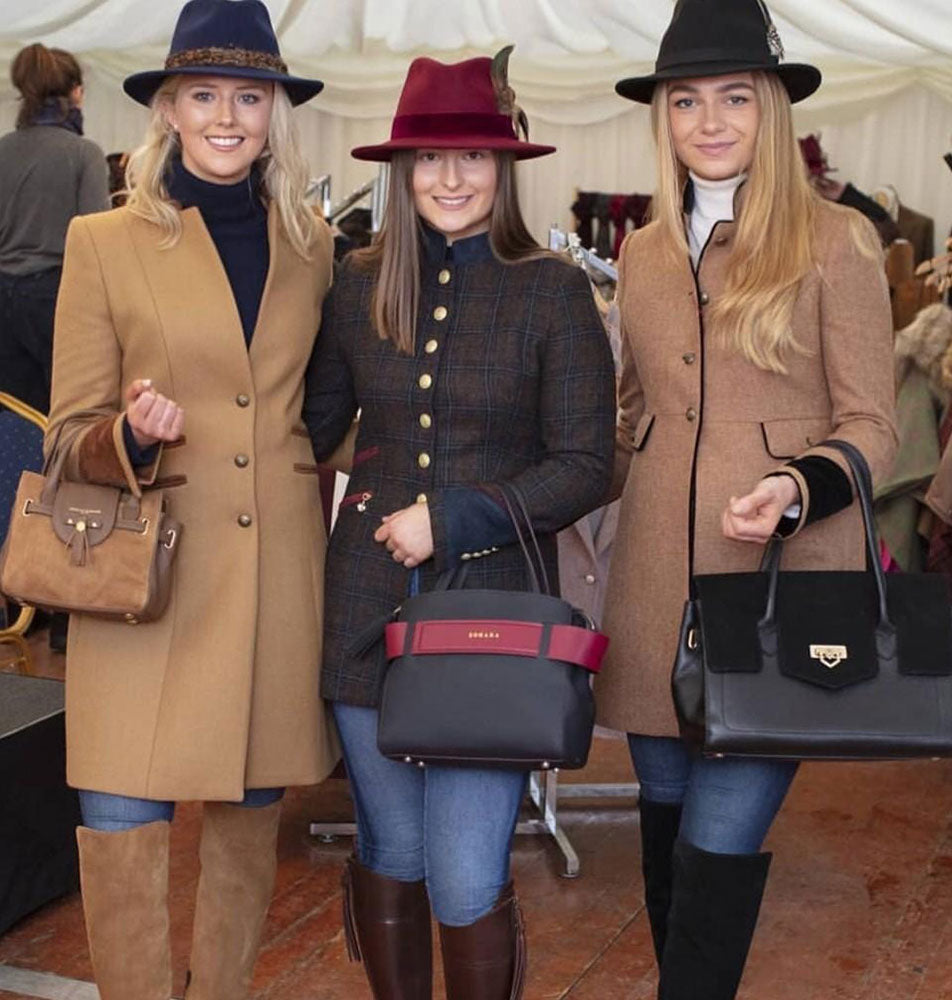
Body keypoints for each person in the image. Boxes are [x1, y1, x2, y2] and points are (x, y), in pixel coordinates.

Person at [302, 51, 616, 1000]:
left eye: (473, 158)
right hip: (365, 604)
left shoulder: (553, 290)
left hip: (494, 618)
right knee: (391, 848)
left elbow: (586, 465)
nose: (450, 179)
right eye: (430, 160)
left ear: (505, 166)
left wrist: (456, 516)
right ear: (399, 172)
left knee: (468, 869)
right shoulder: (356, 285)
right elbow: (303, 429)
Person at [599, 1, 898, 997]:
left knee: (720, 834)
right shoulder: (641, 252)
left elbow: (873, 426)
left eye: (734, 96)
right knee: (668, 820)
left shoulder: (836, 241)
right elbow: (631, 409)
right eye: (686, 100)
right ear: (663, 118)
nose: (709, 119)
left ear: (771, 109)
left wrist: (790, 485)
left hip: (782, 589)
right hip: (653, 586)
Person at [45, 2, 337, 998]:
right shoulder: (103, 241)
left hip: (271, 578)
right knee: (121, 812)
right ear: (167, 108)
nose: (226, 116)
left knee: (248, 816)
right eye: (204, 94)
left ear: (273, 113)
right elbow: (62, 436)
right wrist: (125, 434)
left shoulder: (311, 244)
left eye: (247, 97)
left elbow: (319, 402)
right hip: (147, 573)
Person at [0, 43, 109, 415]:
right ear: (76, 93)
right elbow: (96, 240)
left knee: (23, 421)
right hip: (56, 297)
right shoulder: (83, 152)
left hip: (1, 297)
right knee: (70, 419)